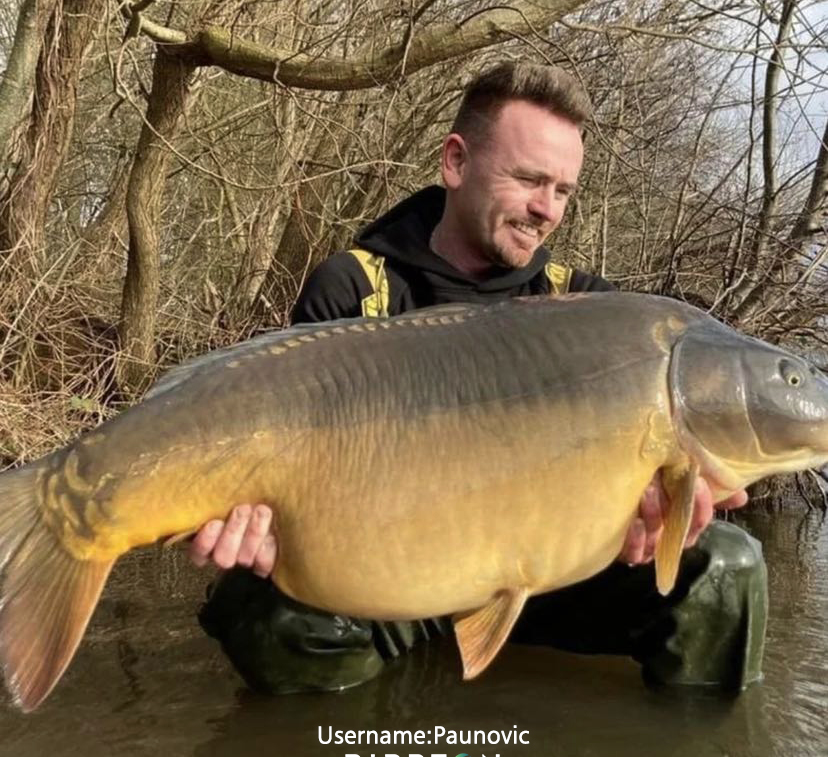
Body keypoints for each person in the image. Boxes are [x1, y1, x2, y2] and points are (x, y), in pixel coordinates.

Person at [192, 62, 766, 694]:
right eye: (528, 180)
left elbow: (642, 485)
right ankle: (401, 754)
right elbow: (294, 469)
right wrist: (261, 525)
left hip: (554, 574)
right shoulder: (356, 291)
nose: (545, 209)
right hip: (395, 571)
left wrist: (656, 516)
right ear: (456, 162)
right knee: (258, 609)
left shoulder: (586, 309)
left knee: (728, 566)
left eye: (563, 191)